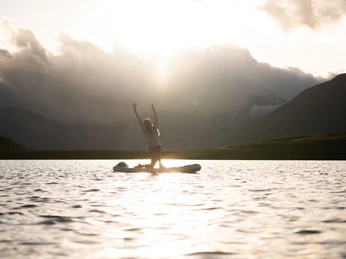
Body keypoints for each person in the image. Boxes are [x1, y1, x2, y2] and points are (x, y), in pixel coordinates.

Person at [133, 103, 165, 168]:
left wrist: (154, 110)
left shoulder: (154, 128)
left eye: (148, 122)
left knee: (152, 165)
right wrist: (135, 111)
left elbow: (156, 119)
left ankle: (141, 166)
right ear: (145, 125)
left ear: (150, 123)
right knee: (155, 160)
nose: (147, 123)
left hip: (158, 147)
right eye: (146, 123)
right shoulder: (146, 131)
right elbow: (140, 121)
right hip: (153, 148)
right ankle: (160, 165)